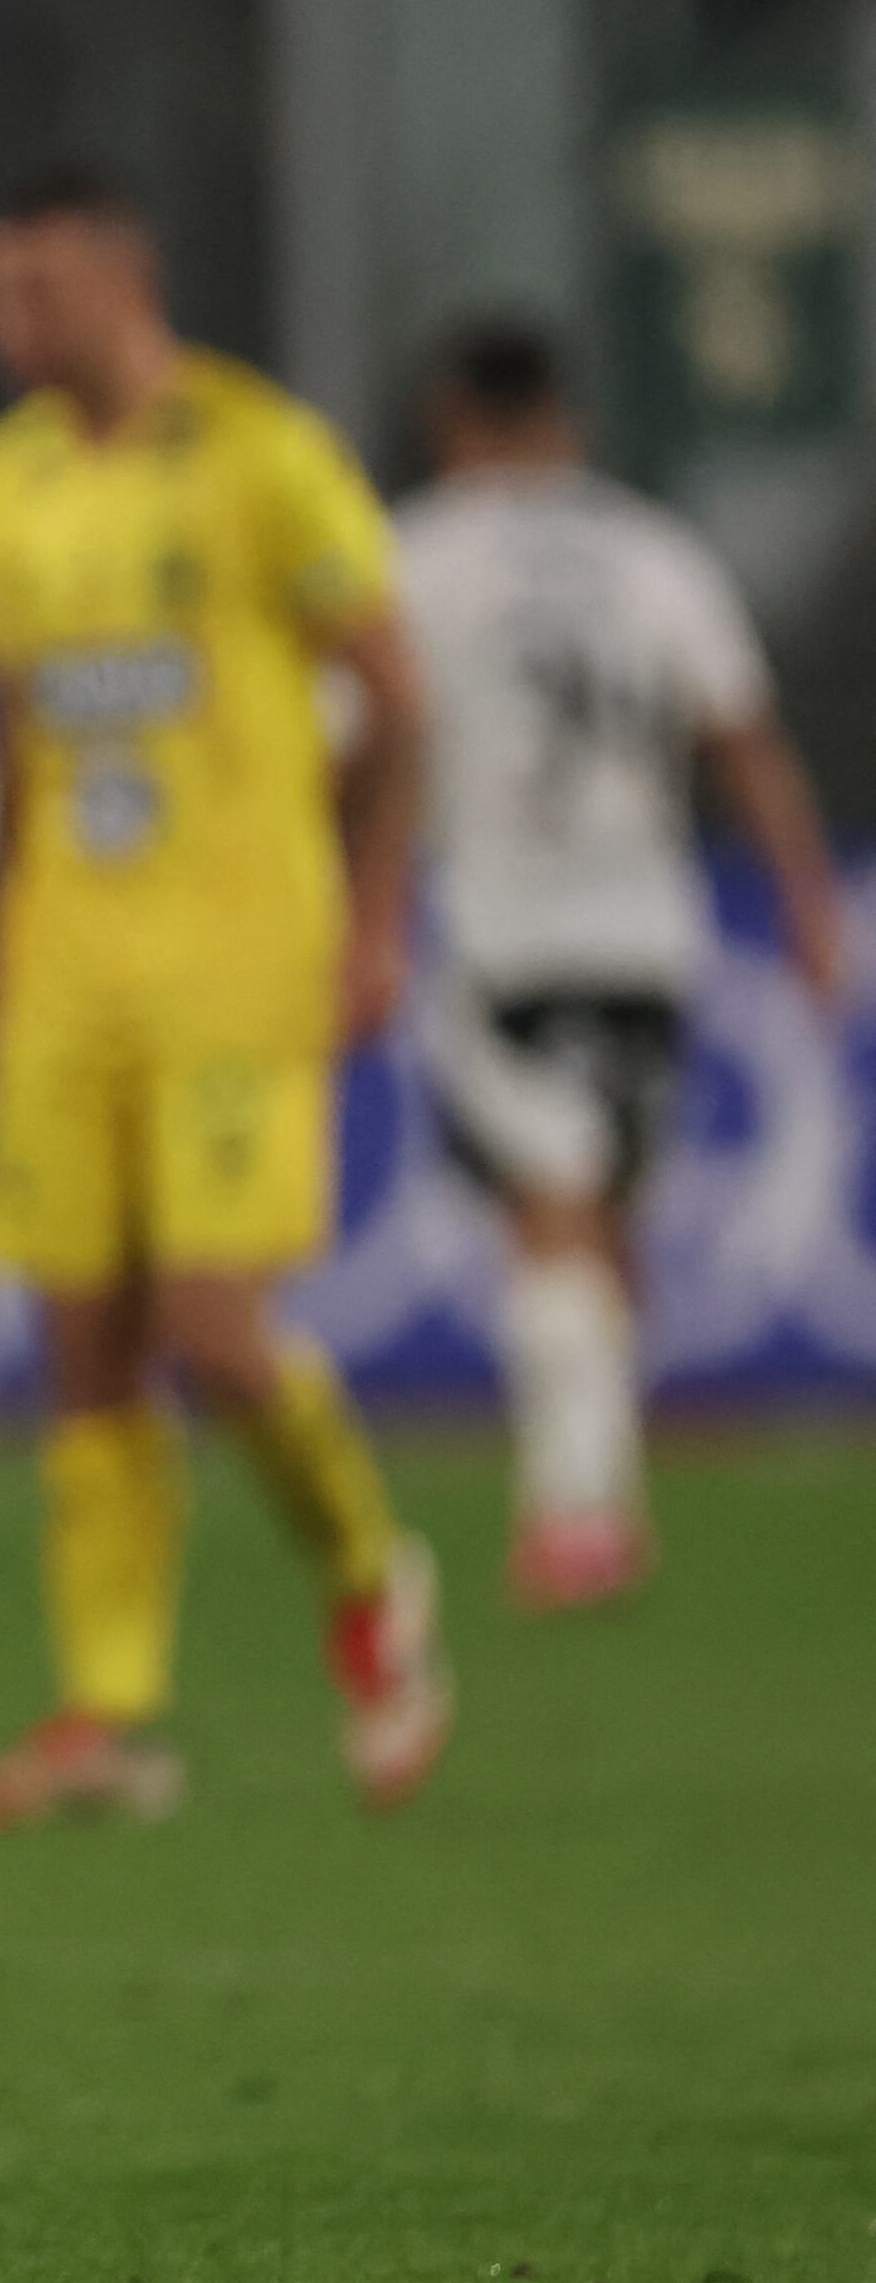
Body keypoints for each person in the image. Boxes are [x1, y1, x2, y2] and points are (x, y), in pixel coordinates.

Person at [0, 164, 452, 1829]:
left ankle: (371, 1573)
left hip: (237, 954)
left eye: (36, 288)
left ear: (121, 275)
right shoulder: (4, 478)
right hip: (66, 968)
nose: (10, 321)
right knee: (81, 1342)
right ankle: (112, 1715)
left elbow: (399, 701)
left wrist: (375, 917)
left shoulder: (259, 452)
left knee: (216, 1334)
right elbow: (18, 734)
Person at [395, 317, 843, 1608]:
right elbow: (741, 735)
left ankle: (574, 1507)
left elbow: (362, 733)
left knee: (546, 1203)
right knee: (604, 1204)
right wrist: (808, 900)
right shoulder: (654, 552)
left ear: (452, 420)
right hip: (647, 923)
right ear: (567, 417)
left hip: (505, 921)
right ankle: (603, 1490)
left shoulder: (419, 553)